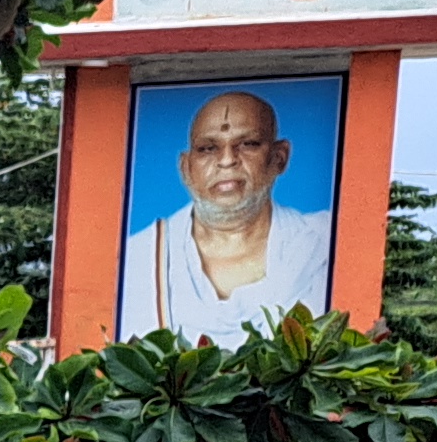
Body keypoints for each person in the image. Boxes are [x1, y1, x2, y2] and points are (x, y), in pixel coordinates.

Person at [117, 89, 332, 339]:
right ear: (186, 168)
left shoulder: (324, 242)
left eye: (247, 144)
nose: (227, 160)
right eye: (208, 149)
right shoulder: (137, 258)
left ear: (279, 157)